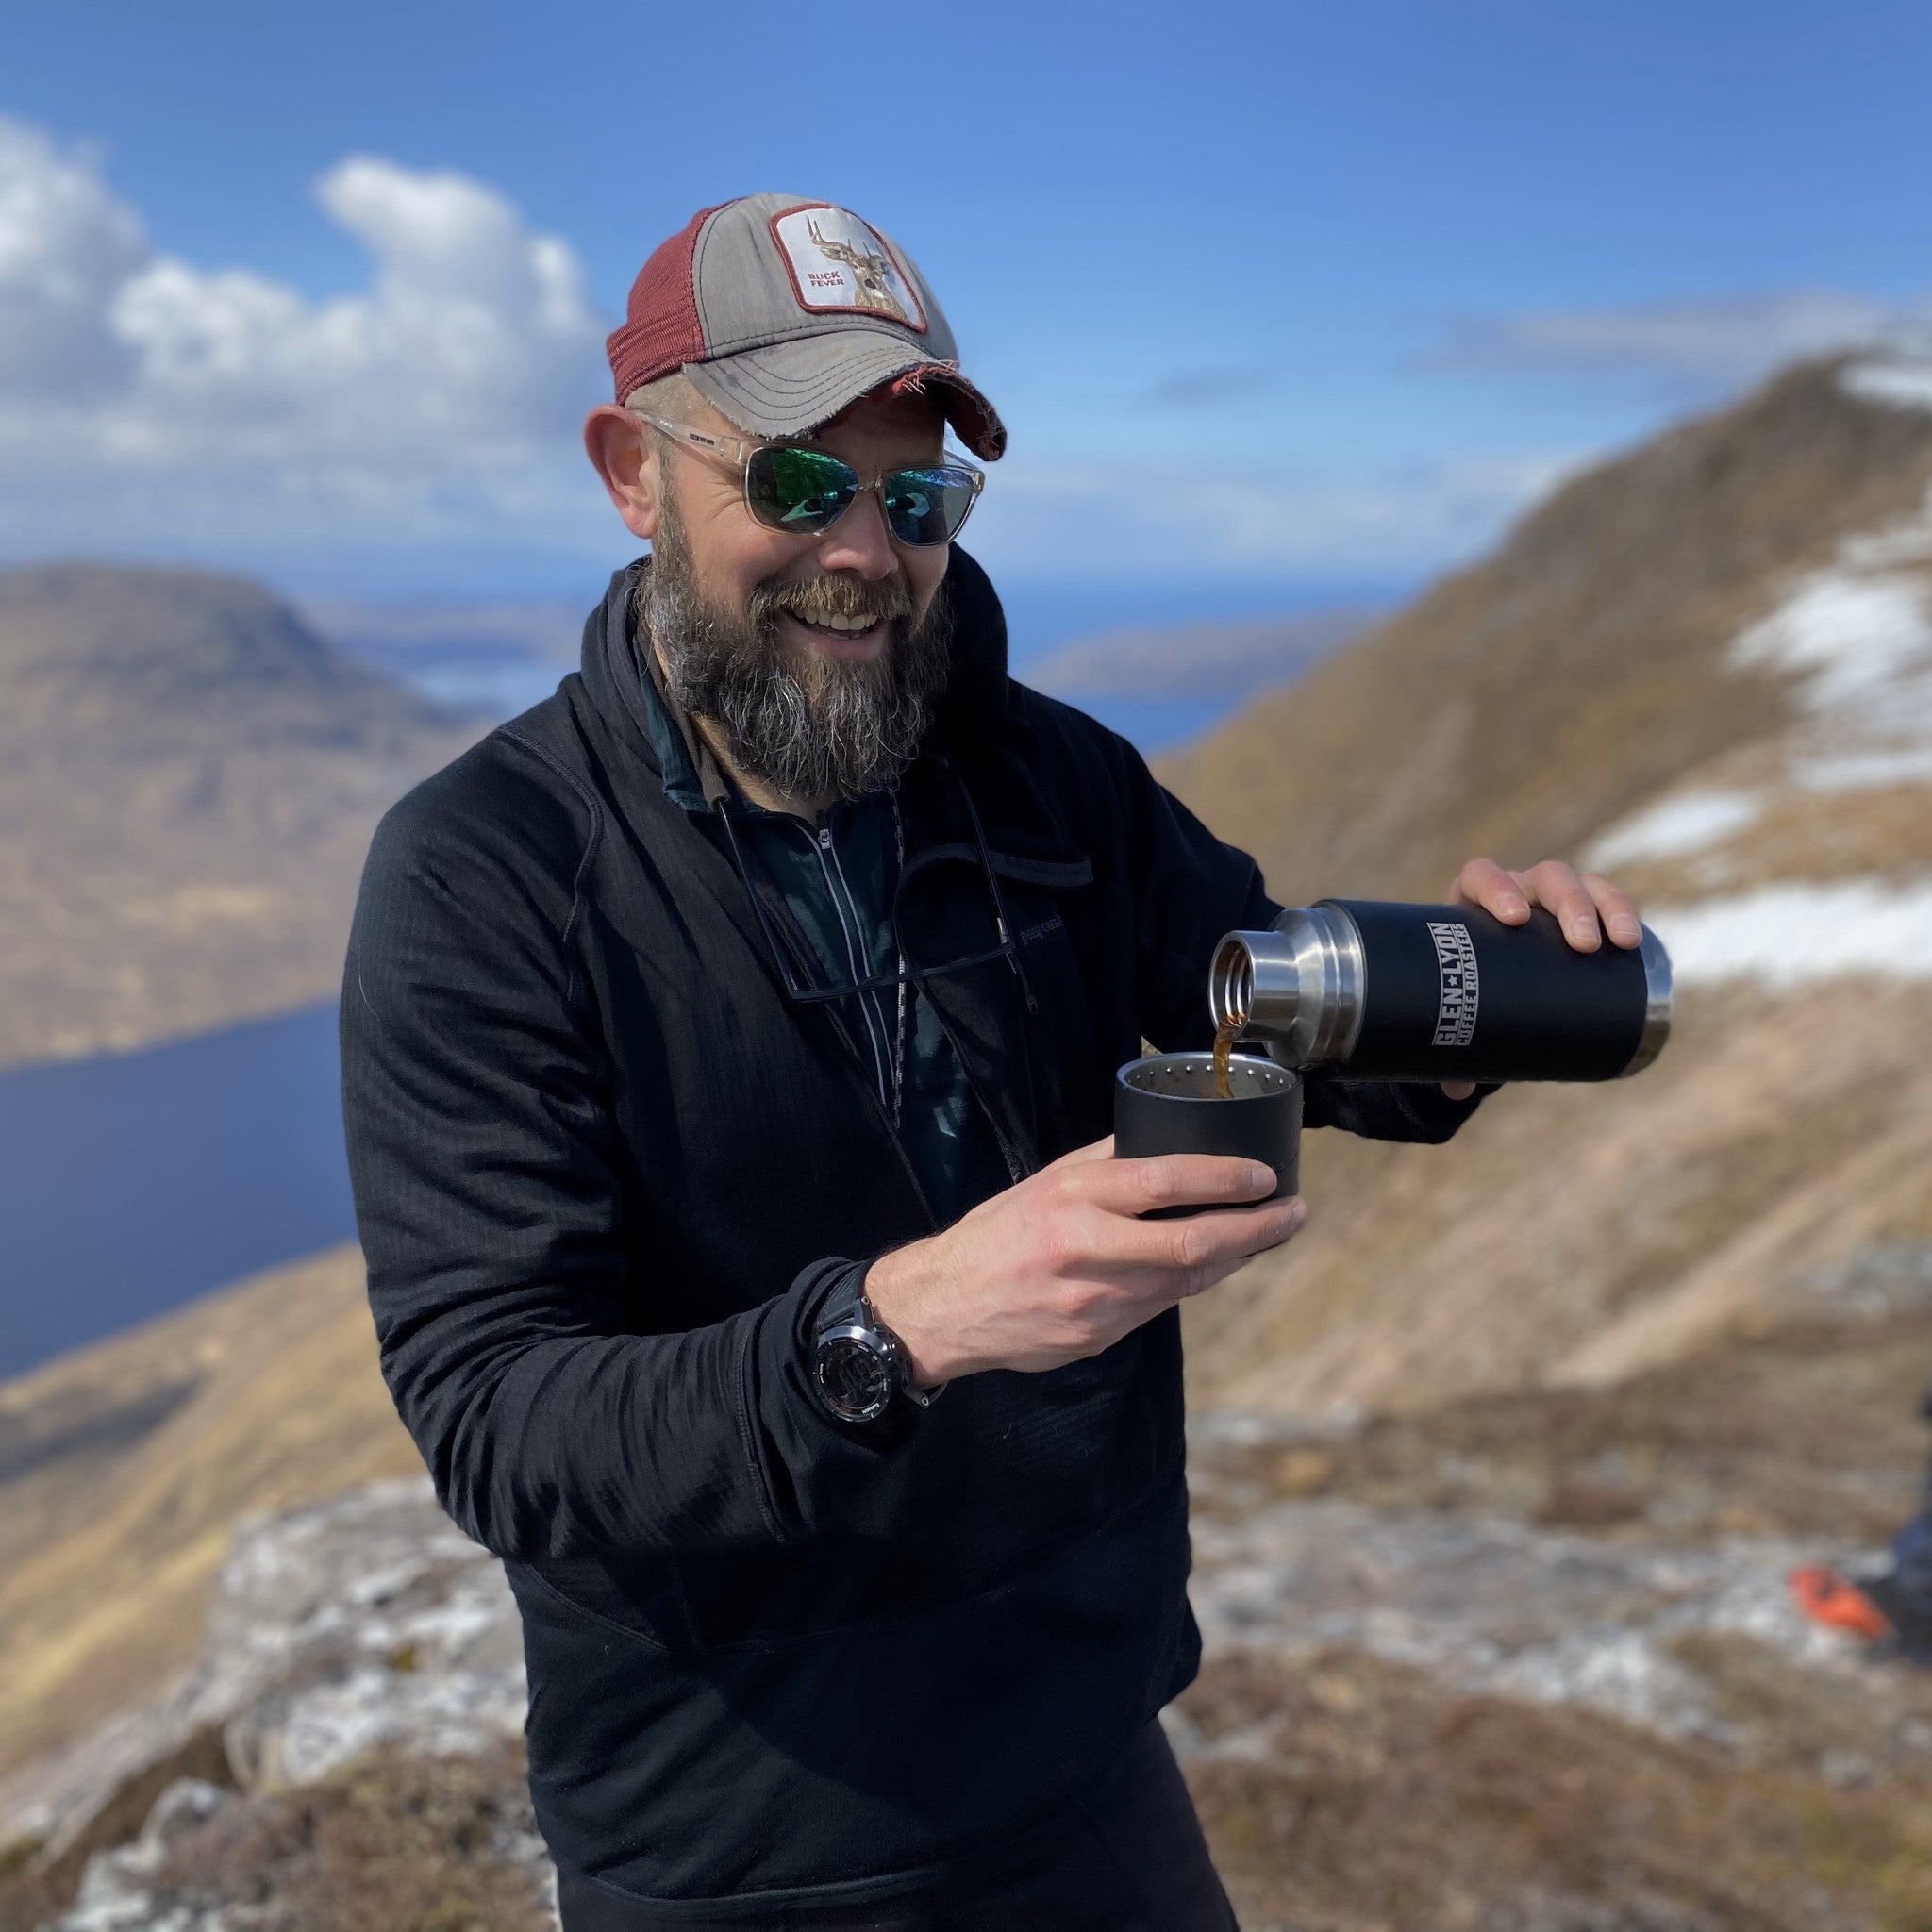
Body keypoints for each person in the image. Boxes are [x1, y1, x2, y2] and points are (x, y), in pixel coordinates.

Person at [340, 193, 1647, 1931]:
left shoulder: (1055, 785)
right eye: (799, 483)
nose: (867, 550)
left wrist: (1478, 994)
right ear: (630, 470)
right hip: (738, 1838)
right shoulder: (488, 877)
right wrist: (902, 1325)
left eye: (919, 494)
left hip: (1080, 1765)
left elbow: (1256, 1015)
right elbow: (504, 1421)